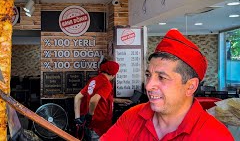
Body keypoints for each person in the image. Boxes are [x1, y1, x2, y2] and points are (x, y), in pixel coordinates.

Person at [100, 29, 234, 140]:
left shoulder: (215, 135)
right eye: (148, 75)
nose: (148, 86)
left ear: (190, 86)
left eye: (162, 77)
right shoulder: (133, 116)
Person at [74, 60, 121, 140]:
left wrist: (77, 118)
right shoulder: (106, 84)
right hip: (99, 126)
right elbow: (93, 100)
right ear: (113, 74)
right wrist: (90, 114)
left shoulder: (94, 80)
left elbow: (77, 97)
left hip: (90, 126)